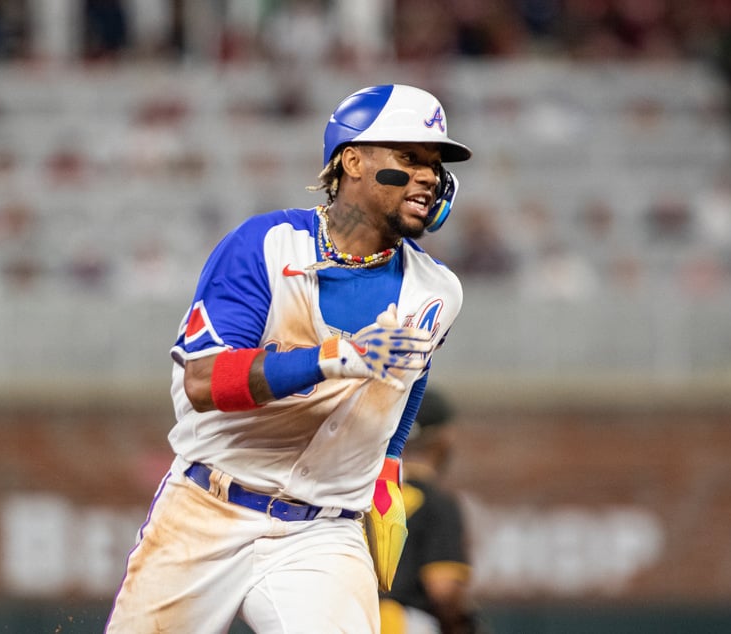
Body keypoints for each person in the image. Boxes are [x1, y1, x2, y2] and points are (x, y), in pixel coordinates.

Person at [105, 84, 472, 634]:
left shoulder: (437, 290)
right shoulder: (266, 245)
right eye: (409, 158)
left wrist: (389, 466)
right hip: (209, 506)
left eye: (434, 164)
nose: (429, 176)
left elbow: (411, 377)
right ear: (352, 160)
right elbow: (206, 382)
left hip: (323, 532)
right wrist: (334, 357)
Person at [379, 388, 478, 634]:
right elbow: (442, 589)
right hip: (403, 623)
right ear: (444, 439)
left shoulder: (362, 494)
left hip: (347, 617)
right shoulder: (437, 503)